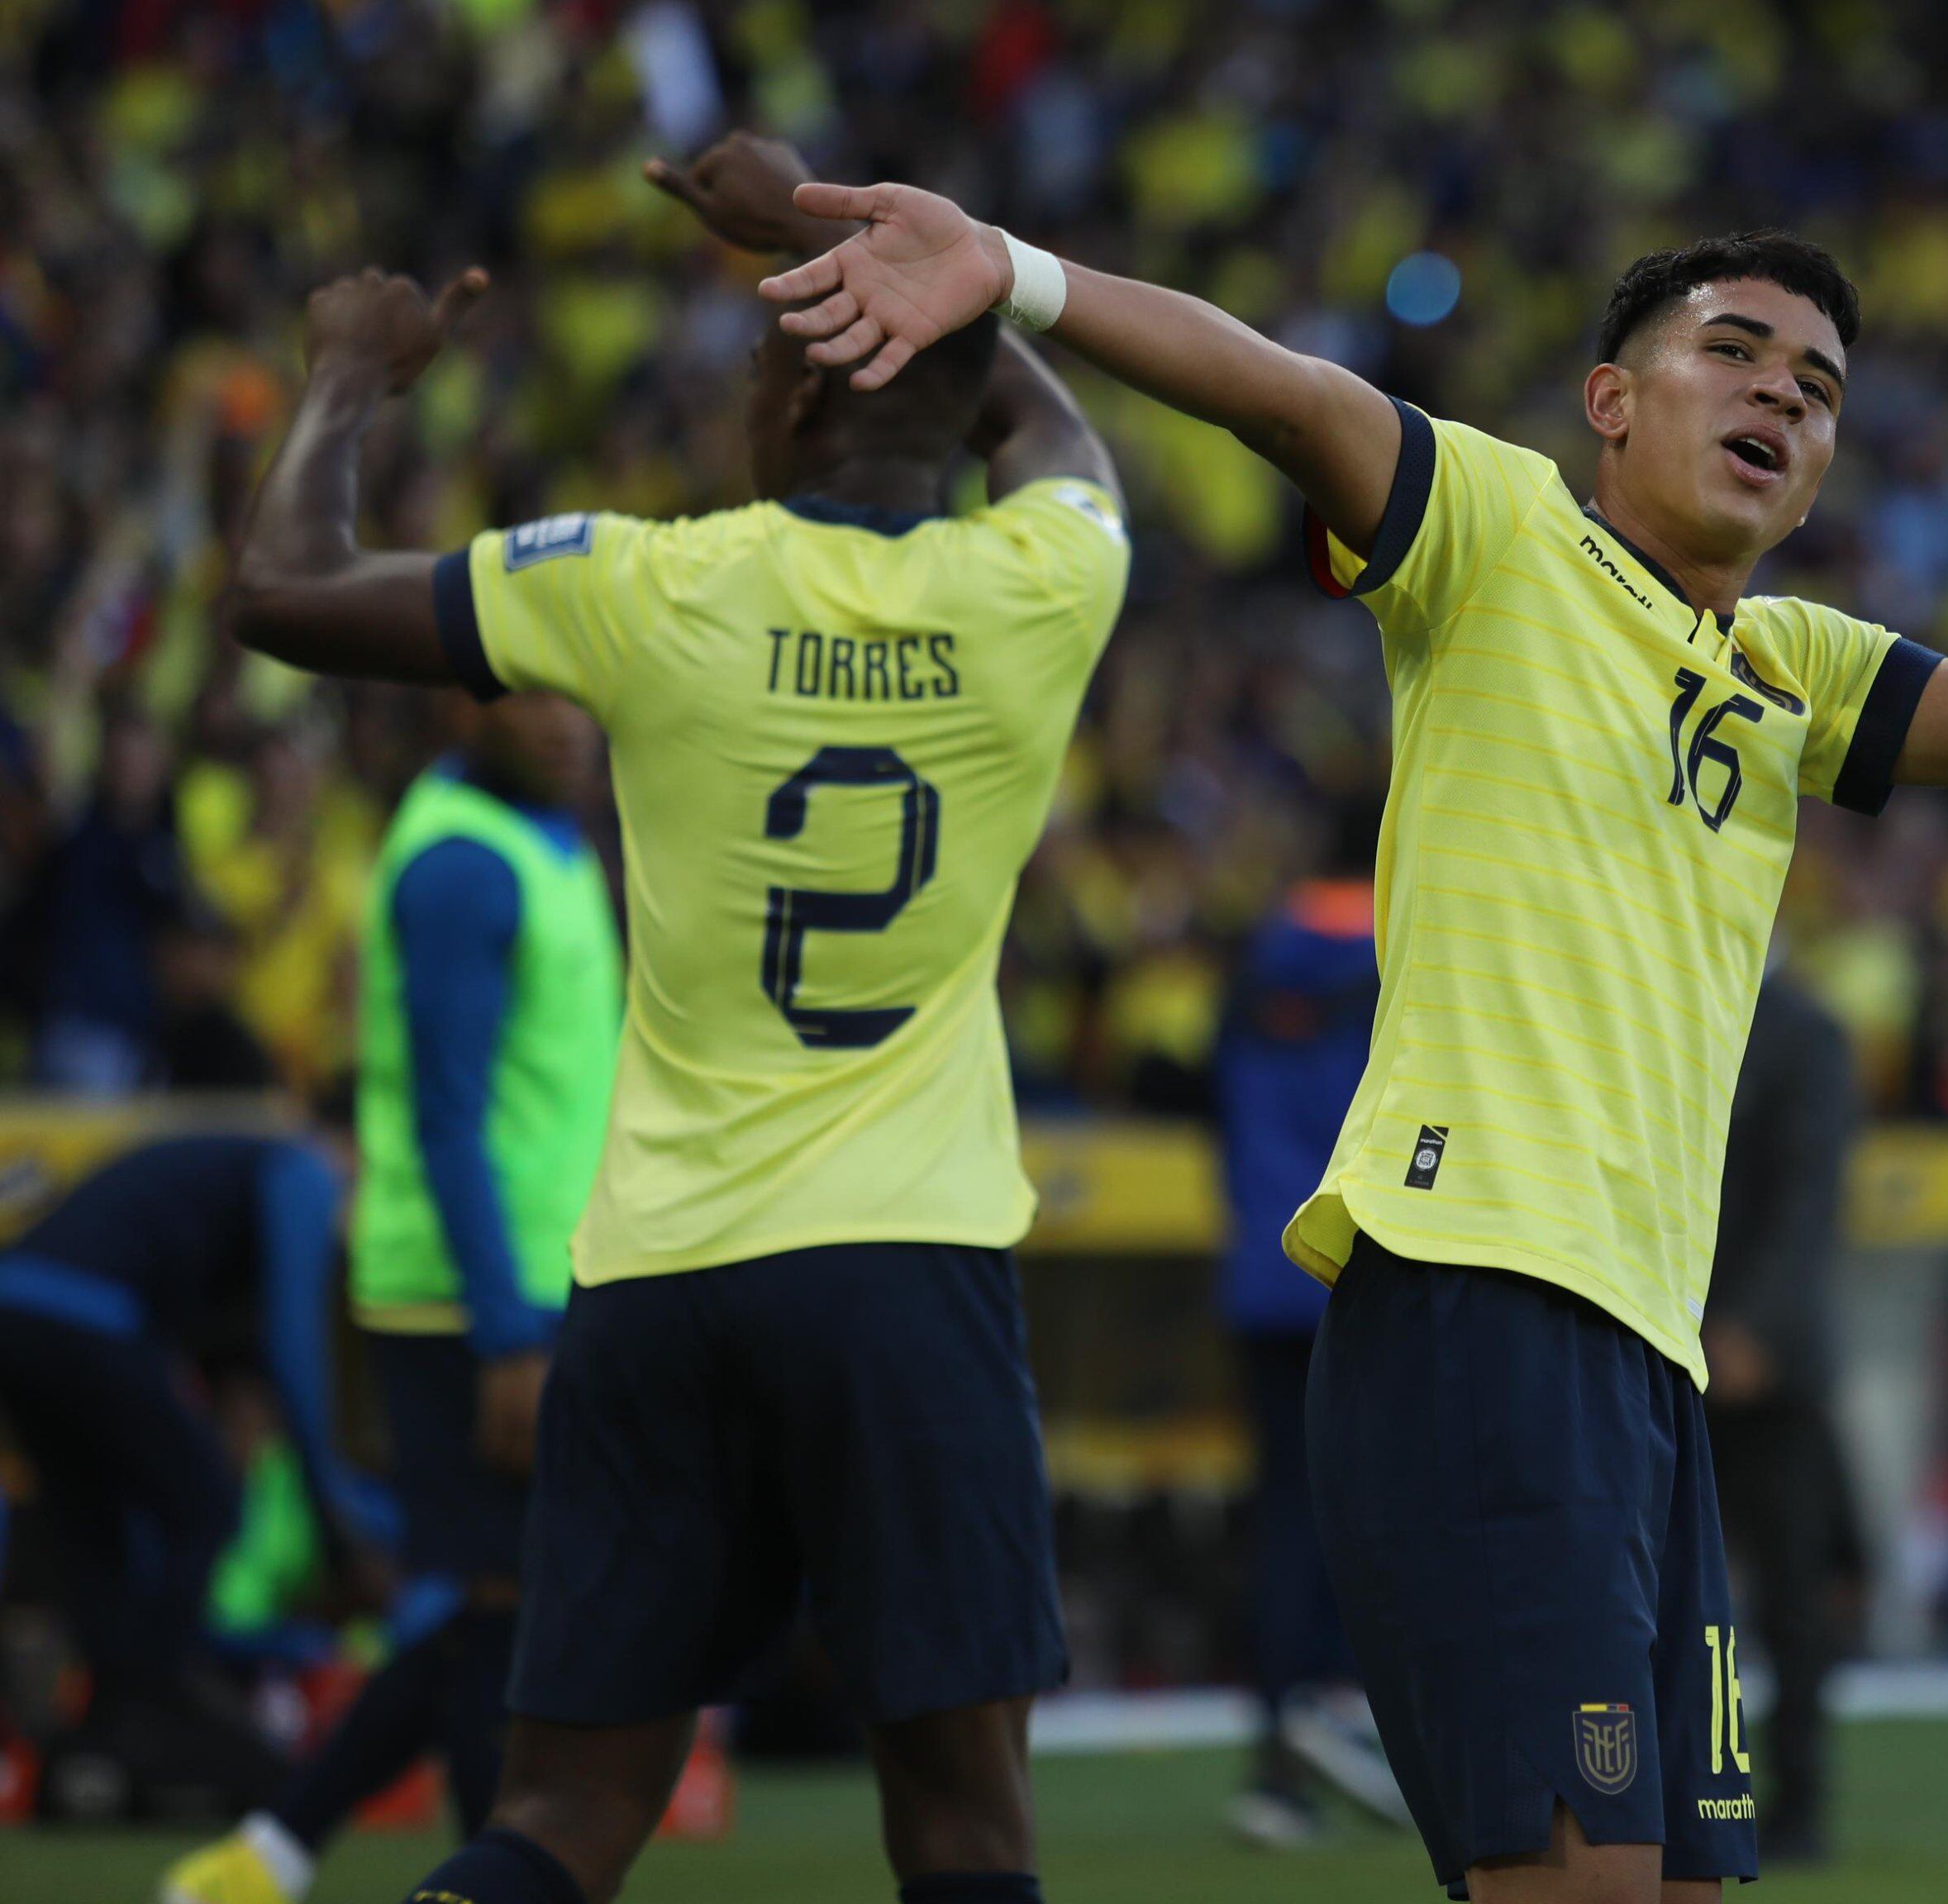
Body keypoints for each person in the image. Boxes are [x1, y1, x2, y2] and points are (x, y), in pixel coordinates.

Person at [760, 184, 1948, 1902]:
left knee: (1679, 1888)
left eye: (1815, 390)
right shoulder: (1501, 536)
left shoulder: (1790, 667)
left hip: (1646, 1359)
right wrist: (1024, 277)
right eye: (1731, 355)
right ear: (1609, 402)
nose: (1779, 400)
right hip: (1478, 1303)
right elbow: (1280, 394)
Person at [221, 132, 1126, 1904]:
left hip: (660, 1280)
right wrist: (824, 237)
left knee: (558, 1819)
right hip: (907, 1266)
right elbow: (1054, 436)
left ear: (782, 423)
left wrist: (341, 380)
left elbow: (276, 596)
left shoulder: (646, 585)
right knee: (960, 1831)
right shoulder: (1047, 586)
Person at [164, 691, 621, 1904]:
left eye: (584, 690)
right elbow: (448, 1111)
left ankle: (276, 1853)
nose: (571, 722)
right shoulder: (465, 864)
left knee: (499, 1611)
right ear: (466, 704)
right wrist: (507, 1330)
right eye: (535, 695)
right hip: (473, 1297)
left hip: (542, 1275)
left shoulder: (551, 837)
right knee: (498, 1605)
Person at [0, 1126, 387, 1820]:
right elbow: (294, 1347)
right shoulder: (301, 1165)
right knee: (204, 1506)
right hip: (87, 1316)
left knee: (97, 1528)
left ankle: (102, 1738)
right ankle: (155, 1700)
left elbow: (222, 1354)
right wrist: (339, 1523)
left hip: (17, 1312)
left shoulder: (215, 1177)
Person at [1206, 796, 1407, 1847]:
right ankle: (1366, 1733)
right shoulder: (1401, 943)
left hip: (1262, 1275)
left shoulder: (1256, 962)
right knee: (1387, 1520)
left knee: (1284, 1523)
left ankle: (1276, 1770)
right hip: (1366, 1270)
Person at [1700, 964, 1864, 1867]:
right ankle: (1695, 1785)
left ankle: (1798, 1802)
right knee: (1674, 1597)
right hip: (1667, 1342)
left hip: (1773, 1365)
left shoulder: (1802, 1033)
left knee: (1792, 1599)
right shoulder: (1676, 1001)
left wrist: (1754, 1326)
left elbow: (1810, 1199)